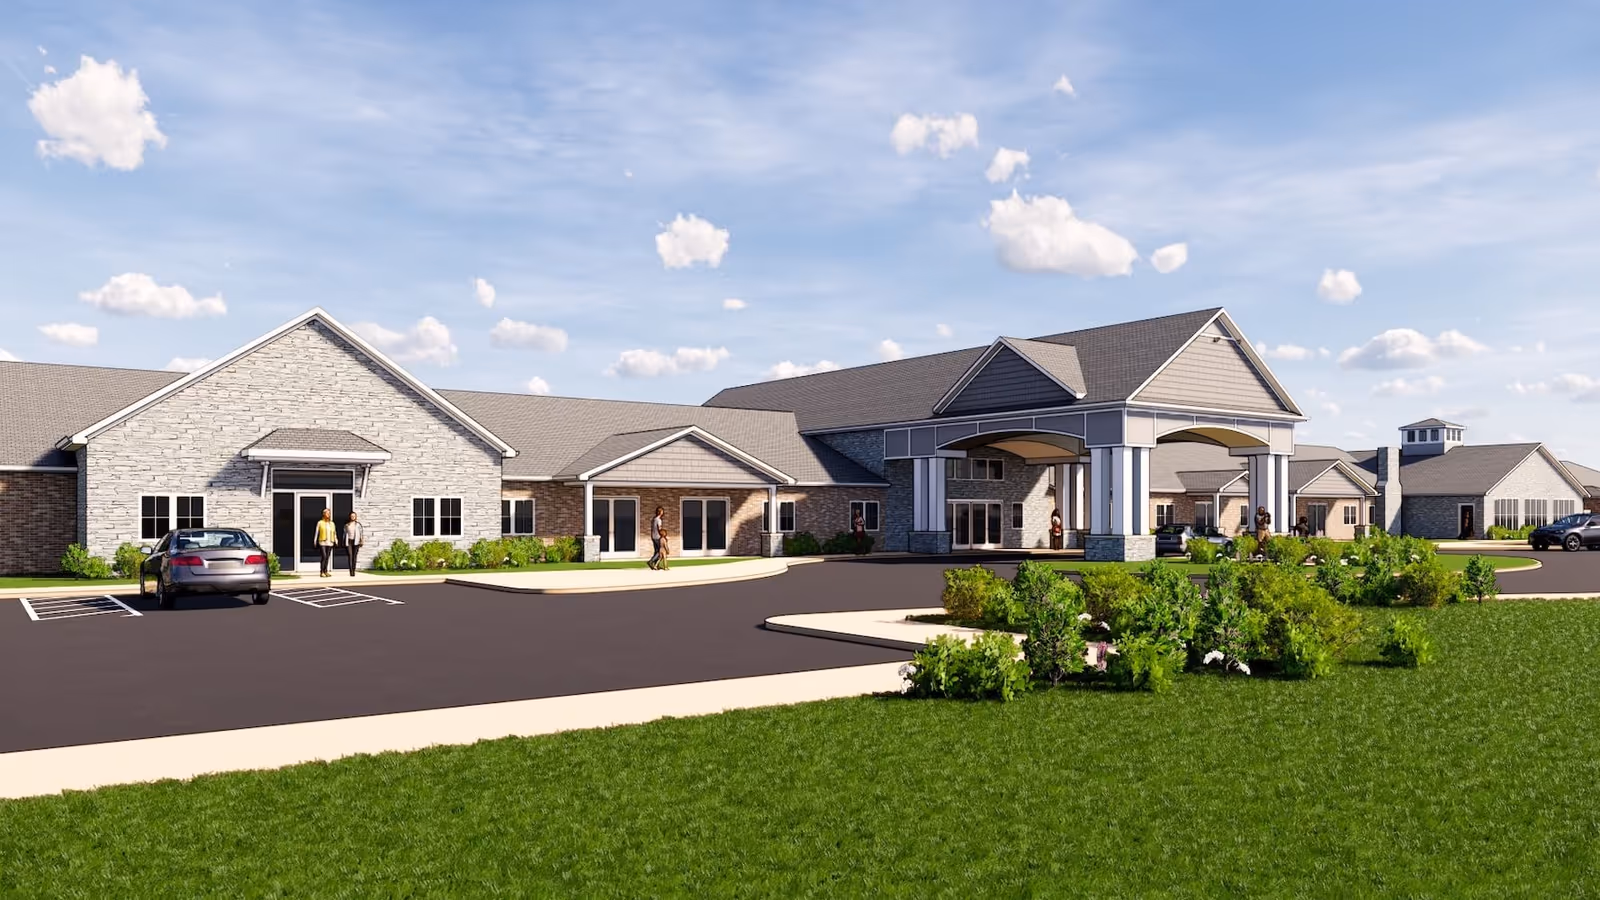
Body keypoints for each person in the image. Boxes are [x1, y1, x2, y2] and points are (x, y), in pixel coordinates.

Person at [315, 508, 338, 577]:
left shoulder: (332, 523)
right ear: (324, 514)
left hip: (330, 542)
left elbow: (334, 532)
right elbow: (316, 532)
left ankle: (325, 571)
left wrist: (336, 540)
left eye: (329, 513)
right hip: (322, 541)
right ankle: (321, 571)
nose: (328, 514)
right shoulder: (320, 522)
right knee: (324, 556)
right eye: (327, 513)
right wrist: (315, 540)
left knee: (327, 557)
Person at [343, 512, 365, 577]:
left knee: (354, 556)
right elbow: (344, 534)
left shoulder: (358, 525)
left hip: (356, 541)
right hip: (349, 541)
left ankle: (354, 570)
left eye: (354, 516)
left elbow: (361, 533)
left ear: (355, 517)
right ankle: (351, 571)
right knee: (350, 555)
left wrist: (362, 540)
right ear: (350, 517)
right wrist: (343, 541)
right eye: (351, 516)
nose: (353, 517)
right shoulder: (347, 525)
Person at [648, 506, 669, 571]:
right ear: (660, 512)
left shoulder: (654, 519)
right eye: (662, 511)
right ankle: (651, 561)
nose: (663, 512)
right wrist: (664, 536)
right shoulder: (659, 520)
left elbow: (653, 528)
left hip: (653, 536)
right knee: (659, 552)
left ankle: (655, 566)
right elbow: (659, 529)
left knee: (656, 551)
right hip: (658, 537)